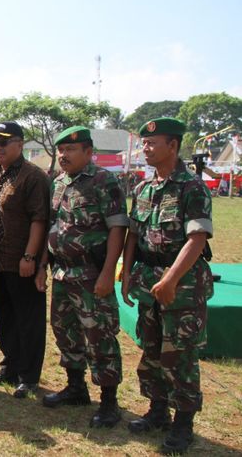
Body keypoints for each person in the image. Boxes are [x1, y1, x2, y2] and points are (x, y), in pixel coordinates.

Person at [121, 117, 213, 455]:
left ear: (172, 146)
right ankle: (157, 410)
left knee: (180, 355)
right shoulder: (145, 188)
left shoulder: (192, 188)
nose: (145, 148)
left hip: (182, 286)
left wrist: (171, 279)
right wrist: (127, 272)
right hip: (148, 282)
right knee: (152, 350)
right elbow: (134, 234)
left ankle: (183, 422)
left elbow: (197, 238)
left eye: (152, 143)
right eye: (144, 143)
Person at [36, 126, 127, 427]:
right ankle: (76, 388)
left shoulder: (104, 181)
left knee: (100, 337)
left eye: (71, 149)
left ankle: (109, 402)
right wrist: (42, 267)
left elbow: (117, 228)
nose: (63, 154)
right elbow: (53, 226)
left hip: (91, 274)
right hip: (62, 272)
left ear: (89, 152)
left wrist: (107, 273)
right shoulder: (58, 183)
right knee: (66, 332)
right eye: (61, 150)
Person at [0, 121, 50, 398]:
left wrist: (30, 256)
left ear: (20, 144)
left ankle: (29, 376)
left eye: (4, 142)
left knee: (28, 319)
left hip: (22, 261)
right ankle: (9, 367)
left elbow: (40, 219)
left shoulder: (33, 176)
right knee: (4, 317)